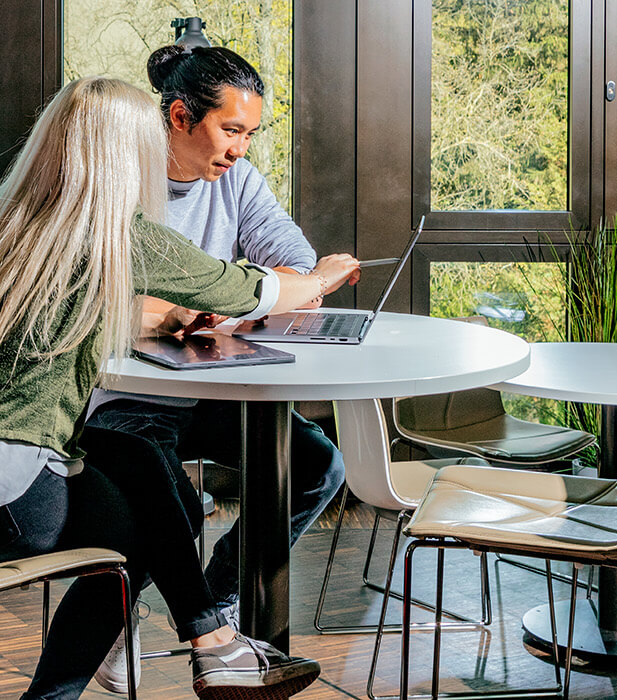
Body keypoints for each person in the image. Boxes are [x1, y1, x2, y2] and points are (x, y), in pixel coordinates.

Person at [0, 76, 358, 700]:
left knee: (141, 464)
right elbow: (252, 289)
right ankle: (180, 656)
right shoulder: (115, 231)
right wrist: (322, 275)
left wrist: (164, 318)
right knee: (138, 528)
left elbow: (70, 312)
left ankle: (215, 644)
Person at [84, 44, 352, 690]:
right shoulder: (119, 177)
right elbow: (95, 296)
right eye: (231, 130)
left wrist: (224, 299)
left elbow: (299, 269)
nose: (240, 149)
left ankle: (213, 598)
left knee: (317, 467)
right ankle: (138, 621)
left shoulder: (237, 180)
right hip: (122, 393)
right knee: (171, 498)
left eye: (250, 134)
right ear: (180, 116)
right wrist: (211, 298)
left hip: (205, 388)